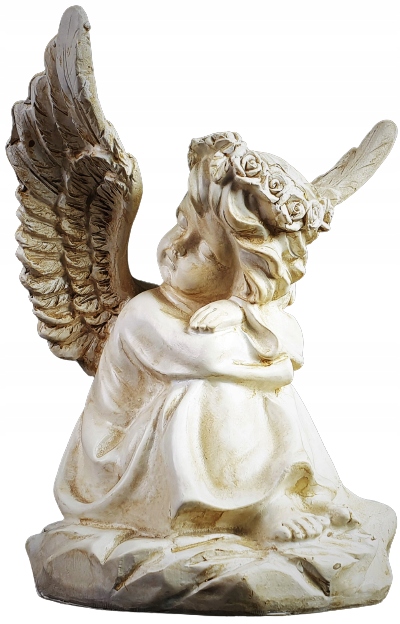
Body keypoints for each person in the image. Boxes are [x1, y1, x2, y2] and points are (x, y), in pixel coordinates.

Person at [55, 132, 352, 542]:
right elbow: (209, 358)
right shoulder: (143, 312)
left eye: (206, 252)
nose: (179, 246)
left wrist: (242, 311)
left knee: (257, 391)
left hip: (159, 443)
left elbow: (293, 342)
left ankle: (281, 495)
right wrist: (267, 353)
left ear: (239, 277)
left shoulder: (227, 308)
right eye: (182, 221)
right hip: (115, 456)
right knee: (204, 390)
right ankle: (250, 508)